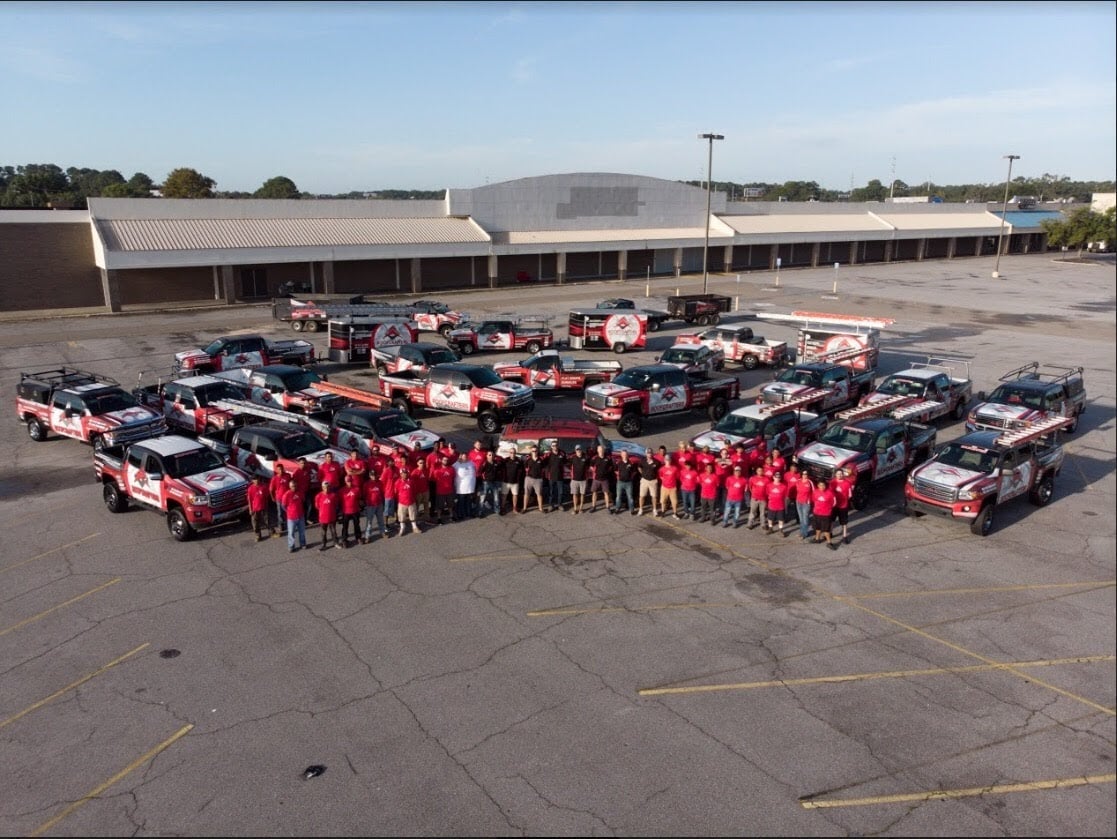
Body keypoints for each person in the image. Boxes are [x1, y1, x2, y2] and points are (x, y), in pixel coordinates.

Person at [829, 468, 854, 546]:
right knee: (832, 520)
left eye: (841, 474)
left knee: (844, 522)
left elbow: (850, 495)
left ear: (843, 474)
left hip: (843, 506)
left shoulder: (847, 483)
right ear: (835, 475)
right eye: (838, 474)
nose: (839, 475)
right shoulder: (832, 482)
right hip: (834, 505)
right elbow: (829, 493)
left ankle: (844, 536)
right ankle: (830, 533)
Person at [282, 478, 307, 553]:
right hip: (291, 518)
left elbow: (303, 501)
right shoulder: (287, 495)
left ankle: (303, 544)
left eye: (295, 486)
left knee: (302, 532)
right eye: (292, 486)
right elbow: (283, 506)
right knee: (291, 533)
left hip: (300, 516)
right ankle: (291, 546)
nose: (294, 487)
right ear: (290, 486)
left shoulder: (300, 492)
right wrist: (289, 511)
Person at [316, 480, 342, 550]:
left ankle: (336, 543)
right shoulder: (319, 496)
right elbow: (317, 506)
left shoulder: (333, 495)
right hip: (323, 518)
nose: (326, 489)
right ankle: (323, 545)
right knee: (323, 532)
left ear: (330, 487)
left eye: (327, 487)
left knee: (333, 531)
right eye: (324, 487)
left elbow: (336, 505)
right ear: (322, 487)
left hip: (332, 517)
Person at [361, 471, 387, 543]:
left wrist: (383, 503)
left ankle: (382, 532)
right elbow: (364, 494)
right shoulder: (366, 484)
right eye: (372, 475)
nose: (374, 476)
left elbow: (382, 493)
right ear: (370, 475)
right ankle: (367, 536)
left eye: (375, 475)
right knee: (369, 522)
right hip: (370, 505)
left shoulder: (380, 483)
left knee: (381, 520)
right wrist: (365, 504)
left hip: (379, 504)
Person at [588, 444, 614, 513]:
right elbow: (590, 466)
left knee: (606, 493)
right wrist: (594, 471)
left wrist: (607, 471)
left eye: (602, 450)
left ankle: (608, 507)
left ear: (604, 450)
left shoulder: (608, 458)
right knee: (594, 493)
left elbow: (611, 466)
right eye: (599, 450)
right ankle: (593, 506)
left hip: (605, 479)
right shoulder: (594, 458)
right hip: (596, 479)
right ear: (597, 451)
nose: (601, 451)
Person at [396, 465, 421, 535]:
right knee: (401, 516)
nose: (404, 474)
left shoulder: (411, 481)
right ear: (400, 474)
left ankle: (414, 527)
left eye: (406, 473)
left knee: (413, 515)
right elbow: (396, 491)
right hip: (402, 502)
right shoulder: (398, 482)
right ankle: (402, 528)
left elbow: (414, 490)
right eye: (403, 473)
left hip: (411, 501)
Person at [812, 479, 837, 549]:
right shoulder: (815, 492)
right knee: (817, 527)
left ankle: (829, 543)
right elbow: (814, 500)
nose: (822, 486)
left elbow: (834, 503)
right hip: (816, 513)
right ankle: (817, 539)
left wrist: (828, 509)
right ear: (818, 485)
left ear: (826, 486)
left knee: (826, 530)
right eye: (820, 485)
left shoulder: (830, 493)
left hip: (826, 514)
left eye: (823, 485)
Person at [542, 441, 567, 512]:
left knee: (561, 492)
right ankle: (551, 505)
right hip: (551, 476)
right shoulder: (548, 454)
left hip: (560, 476)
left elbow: (566, 462)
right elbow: (543, 462)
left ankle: (560, 505)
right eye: (553, 445)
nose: (554, 447)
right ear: (551, 446)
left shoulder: (562, 453)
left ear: (557, 446)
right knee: (551, 492)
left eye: (556, 445)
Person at [339, 474, 363, 547]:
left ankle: (358, 537)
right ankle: (344, 539)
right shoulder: (342, 490)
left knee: (357, 525)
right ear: (345, 482)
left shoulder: (356, 489)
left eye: (350, 481)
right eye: (348, 481)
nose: (349, 482)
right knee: (345, 526)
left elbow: (359, 498)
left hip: (355, 510)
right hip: (346, 511)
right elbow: (339, 501)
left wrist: (360, 506)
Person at [453, 452, 478, 520]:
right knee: (461, 501)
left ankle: (469, 513)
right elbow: (451, 471)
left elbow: (476, 468)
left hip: (470, 487)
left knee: (469, 501)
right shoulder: (456, 464)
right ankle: (460, 514)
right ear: (460, 457)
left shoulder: (471, 462)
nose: (465, 458)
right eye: (463, 456)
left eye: (466, 456)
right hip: (461, 487)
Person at [478, 448, 502, 517]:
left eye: (492, 455)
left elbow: (499, 472)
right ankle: (481, 512)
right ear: (487, 456)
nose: (491, 456)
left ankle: (497, 510)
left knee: (496, 497)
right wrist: (483, 480)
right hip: (486, 483)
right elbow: (480, 472)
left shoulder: (496, 463)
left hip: (495, 483)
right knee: (482, 498)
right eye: (489, 455)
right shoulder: (484, 463)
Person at [636, 448, 660, 516]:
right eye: (648, 453)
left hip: (653, 481)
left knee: (654, 496)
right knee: (642, 496)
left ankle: (654, 510)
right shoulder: (642, 460)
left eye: (650, 453)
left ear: (652, 453)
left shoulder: (656, 462)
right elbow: (639, 467)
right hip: (644, 480)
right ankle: (641, 509)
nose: (649, 454)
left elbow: (659, 470)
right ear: (646, 454)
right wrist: (642, 473)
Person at [522, 447, 546, 513]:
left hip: (538, 480)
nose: (534, 452)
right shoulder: (528, 459)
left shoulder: (541, 459)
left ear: (537, 451)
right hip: (529, 479)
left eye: (535, 451)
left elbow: (543, 468)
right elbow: (525, 468)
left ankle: (541, 508)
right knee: (526, 494)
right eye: (533, 451)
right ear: (531, 452)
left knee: (539, 494)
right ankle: (524, 508)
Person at [613, 450, 637, 514]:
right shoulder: (618, 462)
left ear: (627, 455)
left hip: (629, 483)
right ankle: (617, 508)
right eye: (623, 454)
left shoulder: (631, 463)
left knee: (630, 497)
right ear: (621, 455)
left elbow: (634, 472)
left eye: (625, 454)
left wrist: (630, 477)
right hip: (620, 482)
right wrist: (619, 476)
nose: (624, 456)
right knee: (618, 496)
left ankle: (632, 509)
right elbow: (615, 470)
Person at [765, 471, 789, 536]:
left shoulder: (784, 486)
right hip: (771, 505)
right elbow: (767, 494)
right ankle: (770, 528)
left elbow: (785, 496)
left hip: (780, 506)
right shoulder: (769, 485)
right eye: (776, 477)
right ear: (773, 477)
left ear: (780, 478)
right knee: (770, 518)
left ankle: (781, 530)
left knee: (781, 519)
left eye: (779, 477)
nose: (777, 478)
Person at [247, 474, 270, 541]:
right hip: (255, 509)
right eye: (254, 479)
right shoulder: (250, 489)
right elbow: (249, 500)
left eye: (257, 479)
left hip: (263, 507)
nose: (256, 481)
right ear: (252, 481)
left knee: (267, 521)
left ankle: (271, 532)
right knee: (255, 523)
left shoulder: (263, 487)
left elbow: (266, 496)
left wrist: (266, 505)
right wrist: (250, 509)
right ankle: (258, 535)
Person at [499, 450, 524, 514]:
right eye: (511, 452)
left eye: (514, 452)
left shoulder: (518, 461)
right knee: (504, 495)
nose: (512, 454)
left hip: (515, 482)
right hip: (506, 481)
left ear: (515, 453)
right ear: (509, 453)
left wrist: (519, 479)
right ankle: (503, 508)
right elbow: (500, 468)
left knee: (515, 495)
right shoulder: (505, 460)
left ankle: (514, 508)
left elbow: (521, 471)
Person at [794, 468, 815, 541]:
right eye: (803, 474)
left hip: (806, 503)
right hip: (798, 501)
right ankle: (801, 531)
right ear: (801, 474)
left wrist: (811, 501)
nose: (804, 475)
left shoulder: (810, 482)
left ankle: (805, 533)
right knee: (801, 518)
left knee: (805, 518)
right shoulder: (798, 481)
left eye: (806, 474)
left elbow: (814, 493)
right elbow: (797, 490)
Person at [657, 452, 680, 518]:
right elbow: (660, 476)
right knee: (663, 501)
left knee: (674, 502)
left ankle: (675, 513)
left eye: (669, 459)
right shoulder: (662, 469)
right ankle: (663, 511)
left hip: (673, 487)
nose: (667, 461)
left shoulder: (675, 468)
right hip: (664, 487)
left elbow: (677, 476)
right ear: (664, 460)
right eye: (666, 459)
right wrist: (664, 480)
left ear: (671, 460)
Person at [568, 444, 589, 514]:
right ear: (575, 450)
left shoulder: (585, 457)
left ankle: (581, 508)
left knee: (582, 494)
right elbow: (568, 466)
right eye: (577, 450)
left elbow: (588, 467)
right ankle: (575, 508)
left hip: (583, 480)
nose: (578, 451)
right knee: (575, 494)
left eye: (579, 449)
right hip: (574, 480)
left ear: (581, 450)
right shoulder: (572, 458)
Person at [268, 462, 288, 536]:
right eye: (279, 469)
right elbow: (271, 489)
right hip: (279, 498)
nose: (281, 470)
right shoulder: (275, 478)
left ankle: (287, 524)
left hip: (287, 498)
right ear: (277, 470)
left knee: (287, 511)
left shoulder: (287, 476)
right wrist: (273, 497)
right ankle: (281, 526)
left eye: (282, 469)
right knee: (280, 513)